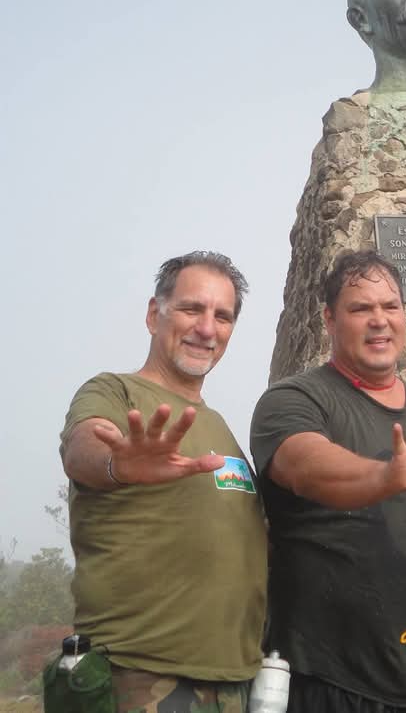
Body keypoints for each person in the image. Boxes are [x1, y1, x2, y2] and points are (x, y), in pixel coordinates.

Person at [249, 250, 406, 713]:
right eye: (360, 308)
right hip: (329, 680)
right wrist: (386, 476)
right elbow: (305, 465)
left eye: (390, 306)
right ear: (329, 319)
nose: (379, 320)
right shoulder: (294, 400)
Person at [59, 251, 266, 713]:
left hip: (233, 683)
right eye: (192, 309)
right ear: (155, 315)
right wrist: (117, 463)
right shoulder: (113, 391)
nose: (207, 329)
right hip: (139, 677)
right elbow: (83, 449)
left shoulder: (220, 427)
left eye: (223, 317)